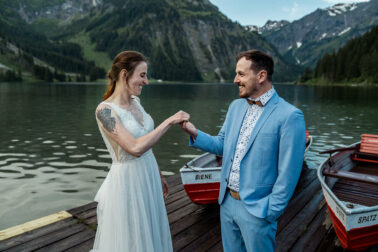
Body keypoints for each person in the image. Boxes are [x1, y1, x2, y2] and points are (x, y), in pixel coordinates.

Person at [181, 50, 306, 252]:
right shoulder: (235, 107)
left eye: (241, 74)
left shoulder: (290, 116)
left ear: (261, 76)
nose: (235, 79)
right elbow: (222, 145)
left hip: (258, 210)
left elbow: (289, 173)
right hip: (227, 202)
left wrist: (270, 211)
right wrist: (194, 133)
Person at [92, 51, 189, 251]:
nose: (146, 82)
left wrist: (159, 173)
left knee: (149, 231)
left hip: (148, 175)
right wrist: (170, 121)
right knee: (131, 237)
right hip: (127, 181)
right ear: (124, 75)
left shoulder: (137, 103)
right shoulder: (105, 111)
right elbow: (135, 148)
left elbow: (146, 144)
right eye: (142, 75)